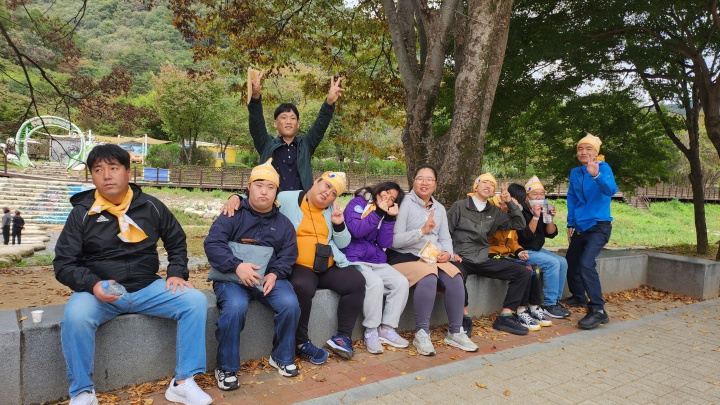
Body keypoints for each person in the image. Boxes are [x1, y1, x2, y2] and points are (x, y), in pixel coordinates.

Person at [54, 144, 211, 405]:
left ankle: (183, 383)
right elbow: (64, 263)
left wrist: (176, 272)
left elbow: (176, 240)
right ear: (92, 176)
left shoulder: (150, 206)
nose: (106, 175)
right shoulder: (82, 212)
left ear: (128, 172)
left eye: (113, 168)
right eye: (98, 170)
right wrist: (93, 284)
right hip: (101, 290)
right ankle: (83, 392)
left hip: (147, 286)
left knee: (194, 301)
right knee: (75, 316)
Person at [223, 172, 365, 364]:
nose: (328, 193)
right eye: (326, 186)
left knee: (356, 281)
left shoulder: (332, 210)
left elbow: (343, 243)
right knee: (301, 285)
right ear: (316, 181)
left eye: (333, 193)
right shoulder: (287, 198)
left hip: (326, 263)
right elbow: (261, 199)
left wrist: (338, 225)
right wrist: (236, 197)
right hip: (297, 264)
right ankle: (301, 342)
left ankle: (343, 337)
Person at [204, 159, 300, 390]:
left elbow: (289, 254)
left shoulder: (284, 223)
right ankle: (226, 367)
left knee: (290, 304)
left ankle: (281, 357)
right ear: (249, 187)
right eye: (259, 185)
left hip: (267, 279)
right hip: (232, 279)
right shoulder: (232, 213)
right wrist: (237, 266)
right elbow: (213, 243)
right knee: (235, 307)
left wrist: (275, 274)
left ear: (276, 192)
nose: (264, 192)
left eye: (270, 187)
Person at [387, 164, 478, 356]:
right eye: (420, 178)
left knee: (455, 275)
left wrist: (447, 253)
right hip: (403, 256)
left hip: (430, 258)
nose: (424, 183)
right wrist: (422, 231)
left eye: (429, 180)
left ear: (435, 184)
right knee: (428, 276)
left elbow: (445, 238)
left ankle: (455, 332)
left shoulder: (439, 208)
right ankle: (422, 333)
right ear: (413, 181)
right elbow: (394, 240)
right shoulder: (405, 204)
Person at [447, 174, 533, 336]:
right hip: (461, 257)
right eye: (484, 182)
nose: (488, 186)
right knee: (456, 274)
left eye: (492, 185)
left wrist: (509, 202)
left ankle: (505, 317)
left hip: (482, 258)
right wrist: (450, 253)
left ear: (494, 192)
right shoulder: (459, 206)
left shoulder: (494, 211)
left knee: (523, 272)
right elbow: (446, 231)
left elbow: (519, 224)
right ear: (476, 186)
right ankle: (463, 316)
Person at [342, 182, 410, 354]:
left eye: (392, 198)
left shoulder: (385, 212)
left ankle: (387, 328)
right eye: (386, 192)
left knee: (401, 282)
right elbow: (356, 231)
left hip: (376, 259)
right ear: (378, 189)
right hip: (353, 258)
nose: (387, 198)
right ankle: (371, 330)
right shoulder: (358, 203)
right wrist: (378, 212)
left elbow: (384, 243)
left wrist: (389, 219)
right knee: (375, 283)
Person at [248, 70, 345, 191]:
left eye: (293, 118)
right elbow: (256, 123)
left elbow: (320, 126)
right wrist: (255, 97)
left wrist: (329, 103)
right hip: (273, 201)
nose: (288, 121)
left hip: (301, 201)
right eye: (284, 117)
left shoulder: (306, 145)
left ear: (297, 124)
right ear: (275, 123)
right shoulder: (266, 144)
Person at [563, 134, 618, 329]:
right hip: (580, 227)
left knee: (586, 263)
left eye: (589, 149)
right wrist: (571, 223)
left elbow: (611, 190)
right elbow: (572, 197)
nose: (583, 152)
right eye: (580, 149)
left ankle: (598, 310)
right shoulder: (575, 172)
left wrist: (596, 175)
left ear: (596, 152)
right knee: (571, 260)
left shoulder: (603, 168)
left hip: (599, 226)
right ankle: (579, 296)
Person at [487, 194, 553, 329]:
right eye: (507, 205)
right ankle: (520, 310)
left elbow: (513, 242)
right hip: (491, 254)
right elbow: (488, 237)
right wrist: (502, 214)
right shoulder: (490, 217)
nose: (510, 208)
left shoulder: (511, 220)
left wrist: (519, 251)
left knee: (534, 268)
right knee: (525, 269)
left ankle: (533, 307)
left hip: (507, 254)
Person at [512, 179, 571, 319]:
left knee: (562, 262)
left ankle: (555, 301)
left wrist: (550, 218)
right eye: (535, 194)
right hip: (522, 250)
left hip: (537, 249)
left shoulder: (543, 208)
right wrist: (535, 216)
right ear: (527, 196)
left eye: (542, 194)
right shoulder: (520, 210)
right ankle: (548, 304)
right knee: (553, 263)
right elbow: (525, 236)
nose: (539, 197)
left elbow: (550, 234)